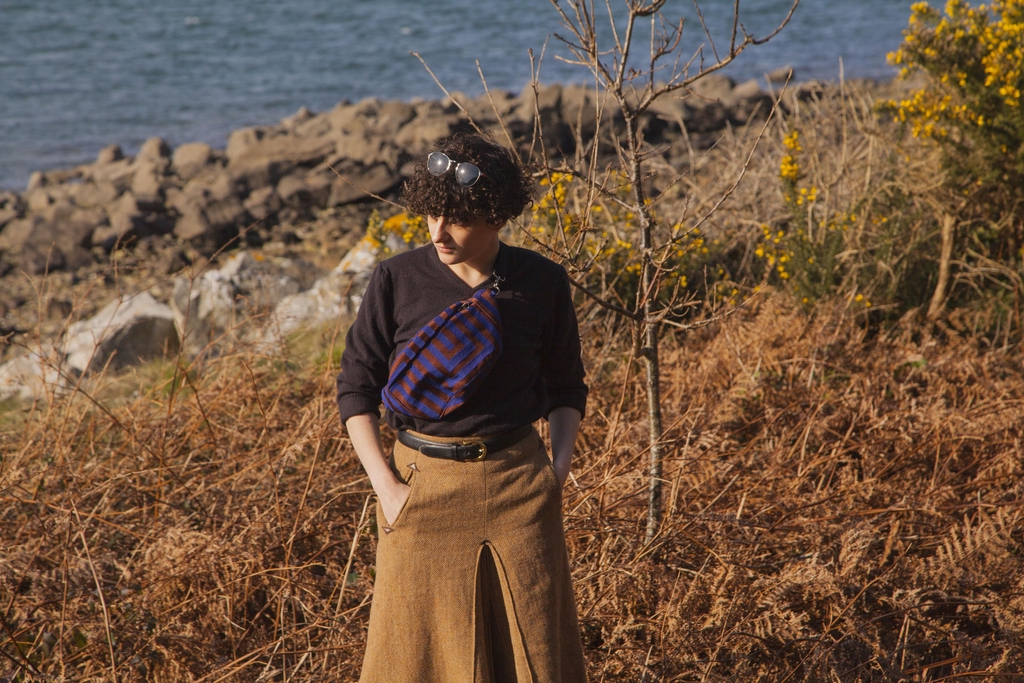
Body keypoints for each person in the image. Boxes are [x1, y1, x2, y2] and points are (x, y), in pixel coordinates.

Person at [335, 131, 589, 683]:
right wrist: (389, 489)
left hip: (519, 490)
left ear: (496, 218)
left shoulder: (541, 282)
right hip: (419, 491)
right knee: (410, 661)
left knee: (536, 658)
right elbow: (355, 390)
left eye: (457, 219)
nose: (439, 232)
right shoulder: (396, 280)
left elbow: (567, 386)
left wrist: (556, 473)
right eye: (431, 215)